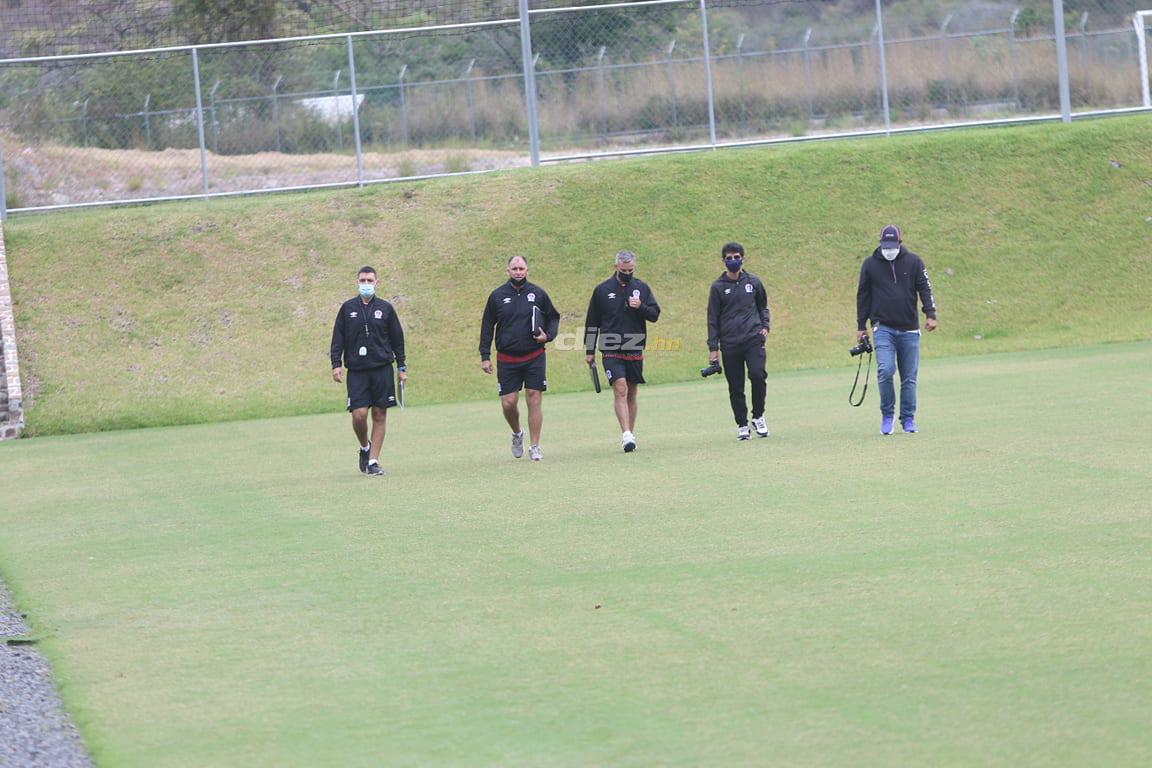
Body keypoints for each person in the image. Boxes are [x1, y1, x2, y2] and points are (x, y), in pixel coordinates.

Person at [856, 224, 938, 435]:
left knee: (909, 377)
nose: (889, 249)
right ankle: (887, 415)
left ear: (900, 243)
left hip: (909, 329)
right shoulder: (870, 265)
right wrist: (860, 326)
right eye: (885, 245)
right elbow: (863, 296)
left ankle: (908, 418)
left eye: (892, 245)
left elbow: (924, 288)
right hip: (883, 328)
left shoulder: (914, 262)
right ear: (880, 243)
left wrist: (930, 314)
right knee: (885, 370)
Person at [479, 255, 561, 461]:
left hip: (534, 355)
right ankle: (517, 433)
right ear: (508, 271)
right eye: (514, 268)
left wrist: (547, 336)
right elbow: (487, 326)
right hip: (507, 358)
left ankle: (535, 446)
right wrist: (485, 356)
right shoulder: (497, 296)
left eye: (521, 268)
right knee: (508, 402)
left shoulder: (538, 294)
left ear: (527, 271)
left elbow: (553, 317)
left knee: (533, 397)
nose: (518, 272)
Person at [330, 266, 407, 476]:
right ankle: (365, 447)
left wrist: (401, 367)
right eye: (362, 280)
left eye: (369, 280)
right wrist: (336, 364)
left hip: (382, 368)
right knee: (359, 415)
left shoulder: (386, 308)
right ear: (357, 282)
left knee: (380, 414)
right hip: (357, 370)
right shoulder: (347, 309)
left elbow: (397, 340)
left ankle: (373, 461)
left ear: (376, 282)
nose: (366, 284)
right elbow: (338, 338)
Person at [584, 250, 662, 453]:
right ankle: (625, 432)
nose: (627, 273)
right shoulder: (602, 290)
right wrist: (589, 350)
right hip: (610, 347)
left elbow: (654, 315)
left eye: (630, 270)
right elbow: (592, 321)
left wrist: (641, 307)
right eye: (623, 270)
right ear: (616, 267)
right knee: (620, 389)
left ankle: (630, 435)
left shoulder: (641, 288)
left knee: (632, 392)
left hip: (634, 345)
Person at [706, 242, 771, 440]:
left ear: (743, 258)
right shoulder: (717, 287)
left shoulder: (754, 282)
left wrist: (765, 326)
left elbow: (763, 306)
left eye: (736, 257)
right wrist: (713, 347)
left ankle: (758, 416)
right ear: (723, 261)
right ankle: (742, 424)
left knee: (758, 375)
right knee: (736, 386)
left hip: (753, 339)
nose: (733, 261)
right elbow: (712, 318)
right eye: (729, 258)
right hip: (730, 343)